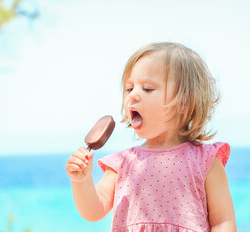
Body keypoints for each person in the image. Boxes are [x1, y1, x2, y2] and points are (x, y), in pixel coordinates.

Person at [66, 42, 236, 232]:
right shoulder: (123, 163)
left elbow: (223, 222)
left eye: (147, 89)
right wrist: (81, 181)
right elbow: (93, 211)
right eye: (129, 89)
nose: (133, 96)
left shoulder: (206, 161)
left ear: (184, 102)